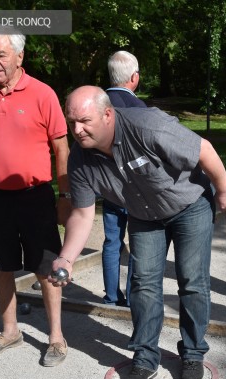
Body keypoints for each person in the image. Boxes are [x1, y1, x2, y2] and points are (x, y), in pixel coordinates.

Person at [52, 86, 226, 379]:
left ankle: (192, 354)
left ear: (107, 114)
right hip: (144, 215)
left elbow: (203, 149)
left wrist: (224, 188)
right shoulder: (80, 160)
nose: (76, 129)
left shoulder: (146, 126)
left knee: (192, 281)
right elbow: (82, 215)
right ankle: (145, 356)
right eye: (71, 122)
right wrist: (66, 258)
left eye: (84, 121)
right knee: (143, 283)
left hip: (189, 205)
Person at [0, 29, 70, 367]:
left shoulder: (43, 94)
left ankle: (56, 337)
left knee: (47, 268)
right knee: (0, 266)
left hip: (35, 196)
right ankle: (10, 331)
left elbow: (61, 148)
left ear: (19, 57)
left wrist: (65, 194)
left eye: (1, 55)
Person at [100, 50, 147, 307]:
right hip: (136, 187)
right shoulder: (139, 108)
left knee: (112, 241)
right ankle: (131, 296)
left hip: (108, 184)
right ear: (134, 77)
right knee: (137, 241)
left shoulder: (98, 104)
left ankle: (110, 295)